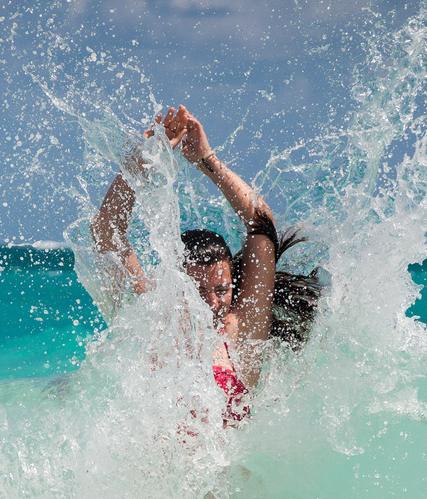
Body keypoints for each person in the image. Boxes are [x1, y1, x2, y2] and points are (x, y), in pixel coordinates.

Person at [90, 105, 318, 425]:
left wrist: (205, 159)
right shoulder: (149, 323)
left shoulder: (241, 335)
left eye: (221, 290)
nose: (212, 303)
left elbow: (262, 223)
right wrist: (145, 162)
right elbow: (106, 233)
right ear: (175, 286)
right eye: (197, 292)